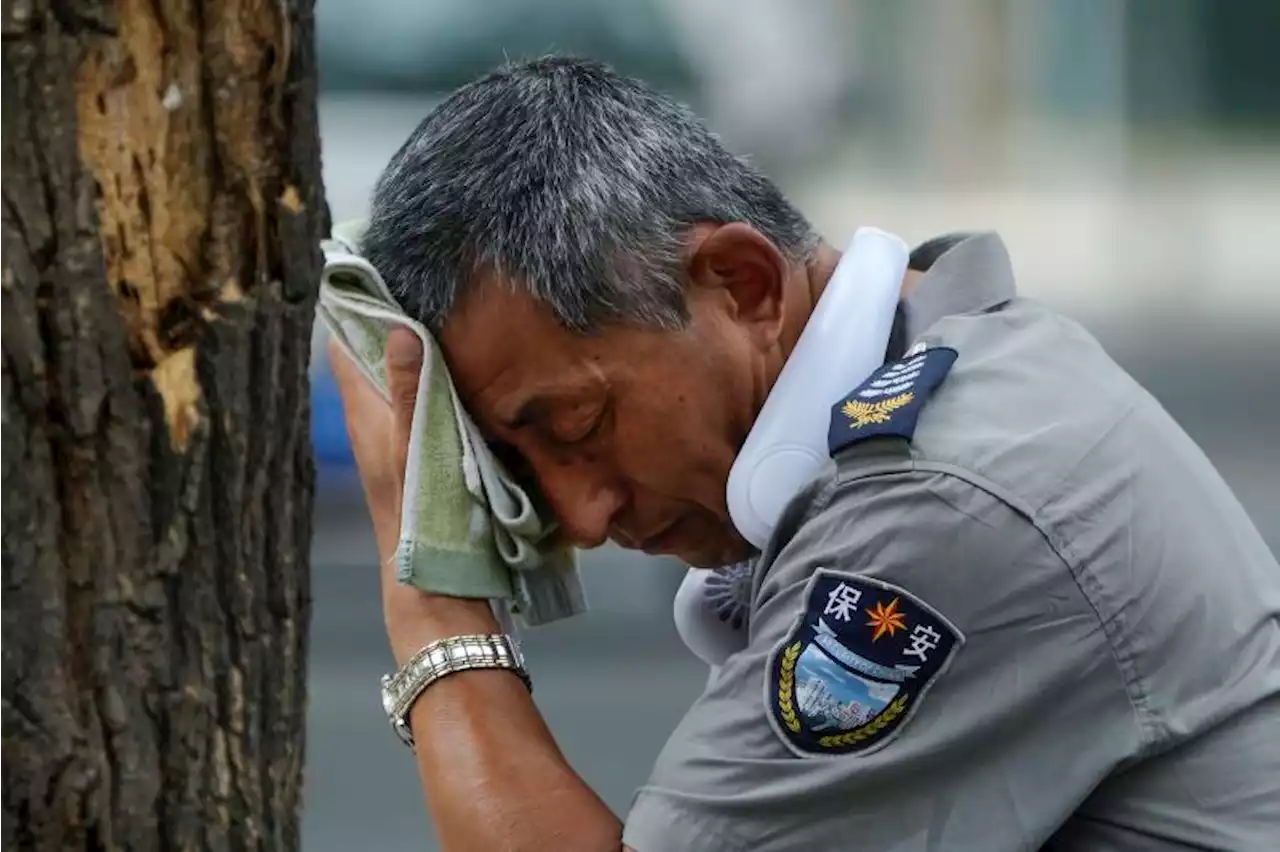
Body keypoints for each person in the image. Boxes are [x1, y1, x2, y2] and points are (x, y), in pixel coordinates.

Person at [329, 56, 1280, 851]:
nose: (581, 515)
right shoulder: (954, 352)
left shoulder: (935, 511)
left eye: (577, 428)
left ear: (741, 285)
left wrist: (432, 601)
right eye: (516, 467)